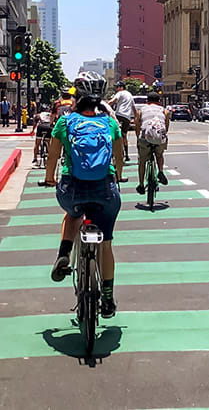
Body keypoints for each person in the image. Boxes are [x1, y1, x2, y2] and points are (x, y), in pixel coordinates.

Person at [44, 72, 124, 319]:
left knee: (72, 214)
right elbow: (119, 157)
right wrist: (117, 176)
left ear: (76, 98)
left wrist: (50, 178)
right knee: (107, 243)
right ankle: (108, 298)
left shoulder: (65, 122)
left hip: (72, 189)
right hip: (105, 190)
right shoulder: (110, 124)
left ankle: (64, 254)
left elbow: (53, 156)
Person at [135, 91, 170, 195]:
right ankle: (160, 171)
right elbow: (166, 127)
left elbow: (137, 125)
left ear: (147, 101)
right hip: (159, 138)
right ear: (159, 101)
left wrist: (138, 136)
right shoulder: (164, 111)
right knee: (159, 154)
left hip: (145, 138)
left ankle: (141, 185)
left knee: (142, 161)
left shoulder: (141, 111)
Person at [108, 80, 137, 162]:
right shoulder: (130, 95)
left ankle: (113, 152)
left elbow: (112, 101)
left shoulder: (120, 93)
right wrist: (136, 118)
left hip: (119, 115)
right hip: (127, 117)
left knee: (113, 132)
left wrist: (105, 105)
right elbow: (133, 108)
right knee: (124, 135)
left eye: (117, 87)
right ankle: (127, 155)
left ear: (121, 87)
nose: (117, 89)